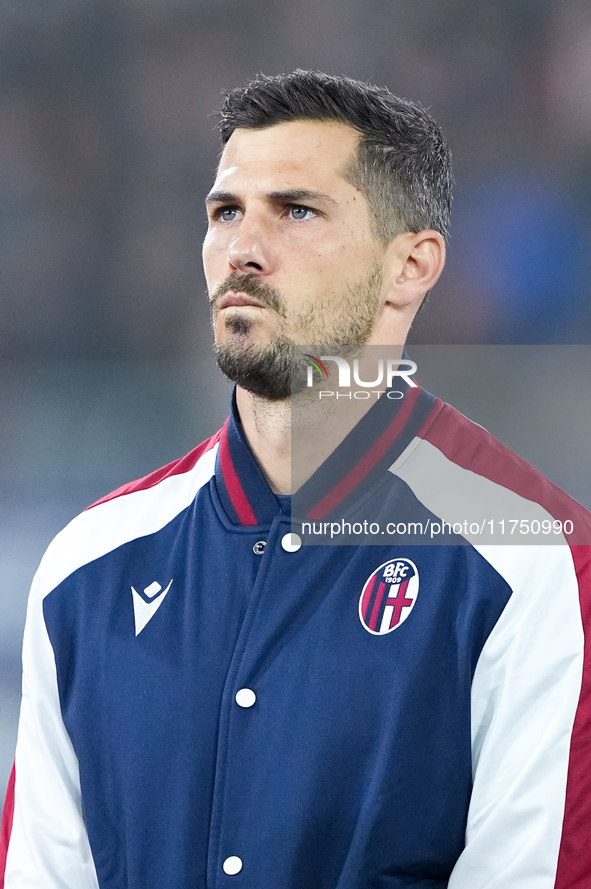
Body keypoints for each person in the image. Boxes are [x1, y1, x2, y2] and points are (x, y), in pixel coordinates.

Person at [1, 70, 590, 889]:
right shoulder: (87, 567)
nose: (242, 246)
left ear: (410, 266)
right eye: (225, 212)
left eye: (297, 211)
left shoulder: (531, 561)